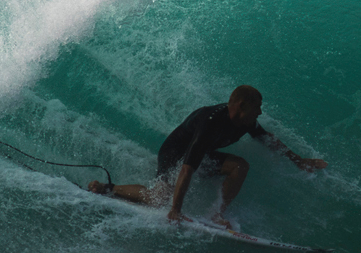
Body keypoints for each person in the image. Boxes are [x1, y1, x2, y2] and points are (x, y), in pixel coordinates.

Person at [87, 85, 326, 229]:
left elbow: (267, 139)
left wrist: (299, 160)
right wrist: (175, 210)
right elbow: (186, 169)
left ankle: (216, 214)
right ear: (242, 105)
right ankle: (108, 188)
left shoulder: (246, 122)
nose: (260, 112)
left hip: (203, 155)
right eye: (257, 107)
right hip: (175, 153)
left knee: (240, 166)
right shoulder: (209, 122)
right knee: (158, 199)